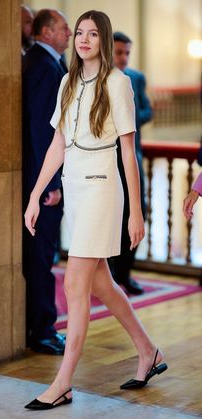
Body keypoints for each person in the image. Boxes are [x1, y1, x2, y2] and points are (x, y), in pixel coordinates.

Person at [24, 10, 167, 411]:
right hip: (75, 189)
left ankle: (63, 382)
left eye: (92, 33)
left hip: (104, 191)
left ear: (103, 39)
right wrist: (36, 195)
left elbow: (127, 151)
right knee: (101, 282)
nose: (84, 39)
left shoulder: (118, 84)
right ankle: (148, 351)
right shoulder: (67, 81)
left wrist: (135, 212)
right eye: (79, 33)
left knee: (74, 284)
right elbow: (58, 144)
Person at [22, 9, 72, 355]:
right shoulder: (42, 65)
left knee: (45, 254)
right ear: (46, 31)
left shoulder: (50, 62)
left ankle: (44, 326)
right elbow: (43, 131)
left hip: (45, 181)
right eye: (65, 27)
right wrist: (50, 184)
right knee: (42, 256)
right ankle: (42, 330)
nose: (70, 32)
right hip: (44, 185)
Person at [108, 32, 153, 295]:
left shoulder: (136, 78)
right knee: (113, 218)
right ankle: (110, 276)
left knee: (136, 215)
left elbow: (148, 110)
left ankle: (126, 274)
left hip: (132, 158)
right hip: (108, 161)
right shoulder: (101, 79)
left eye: (127, 52)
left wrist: (130, 117)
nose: (123, 57)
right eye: (119, 52)